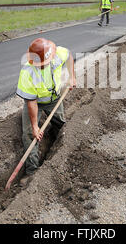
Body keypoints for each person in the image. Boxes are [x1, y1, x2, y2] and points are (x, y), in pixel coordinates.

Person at [16, 38, 76, 186]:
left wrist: (72, 76)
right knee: (29, 134)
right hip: (36, 102)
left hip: (54, 99)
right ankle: (31, 171)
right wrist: (35, 126)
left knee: (61, 125)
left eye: (44, 62)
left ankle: (58, 150)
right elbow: (31, 102)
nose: (42, 65)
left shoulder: (56, 56)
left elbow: (68, 55)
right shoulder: (27, 72)